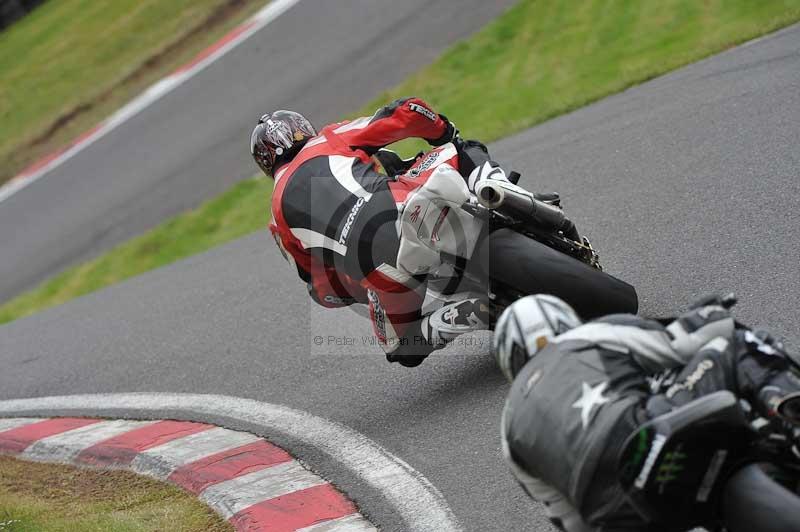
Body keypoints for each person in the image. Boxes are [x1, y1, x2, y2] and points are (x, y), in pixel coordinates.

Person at [250, 98, 575, 367]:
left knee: (401, 347)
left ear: (265, 164)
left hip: (378, 270)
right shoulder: (330, 139)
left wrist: (358, 291)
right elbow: (406, 111)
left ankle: (468, 314)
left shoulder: (277, 217)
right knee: (459, 148)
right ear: (303, 129)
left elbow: (320, 285)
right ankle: (496, 189)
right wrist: (442, 131)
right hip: (405, 207)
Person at [494, 293, 800, 531]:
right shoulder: (586, 336)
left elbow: (569, 520)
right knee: (732, 342)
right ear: (565, 320)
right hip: (643, 436)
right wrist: (710, 312)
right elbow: (685, 342)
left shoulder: (508, 432)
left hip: (612, 514)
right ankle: (791, 413)